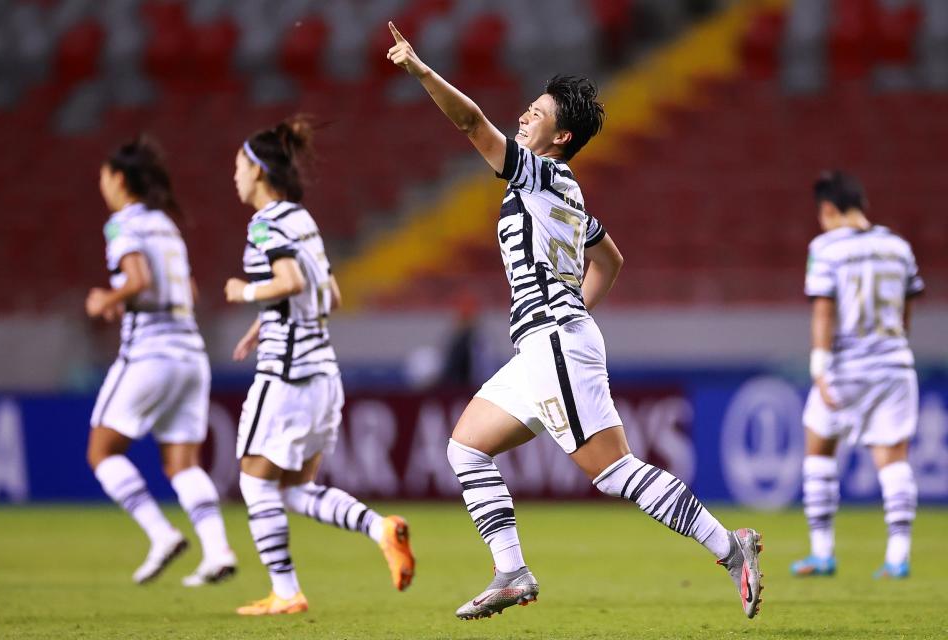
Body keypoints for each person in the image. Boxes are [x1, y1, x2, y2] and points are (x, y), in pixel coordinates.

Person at [387, 22, 763, 620]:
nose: (523, 116)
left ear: (559, 136)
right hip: (543, 346)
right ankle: (511, 571)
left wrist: (420, 69)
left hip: (554, 343)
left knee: (614, 472)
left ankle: (729, 547)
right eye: (528, 107)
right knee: (465, 448)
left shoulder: (542, 175)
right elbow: (609, 259)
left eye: (536, 113)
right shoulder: (556, 191)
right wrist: (575, 307)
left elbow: (469, 124)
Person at [225, 115, 415, 616]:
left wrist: (244, 292)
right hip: (323, 374)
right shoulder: (302, 220)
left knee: (253, 481)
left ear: (260, 170)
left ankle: (286, 592)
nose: (235, 175)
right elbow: (327, 295)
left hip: (286, 377)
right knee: (293, 489)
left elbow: (288, 281)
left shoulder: (265, 224)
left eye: (240, 165)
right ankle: (381, 528)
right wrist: (268, 320)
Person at [86, 136, 237, 586]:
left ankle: (160, 533)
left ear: (117, 179)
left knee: (102, 452)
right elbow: (186, 290)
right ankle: (217, 551)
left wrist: (106, 299)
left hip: (149, 353)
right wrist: (130, 300)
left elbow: (139, 278)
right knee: (182, 464)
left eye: (103, 177)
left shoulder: (123, 224)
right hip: (190, 353)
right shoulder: (166, 225)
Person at [792, 171, 923, 579]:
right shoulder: (898, 247)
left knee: (818, 448)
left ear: (828, 209)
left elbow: (824, 309)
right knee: (893, 459)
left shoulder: (827, 248)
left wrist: (819, 367)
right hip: (895, 364)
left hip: (847, 366)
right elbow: (906, 307)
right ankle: (898, 556)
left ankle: (822, 552)